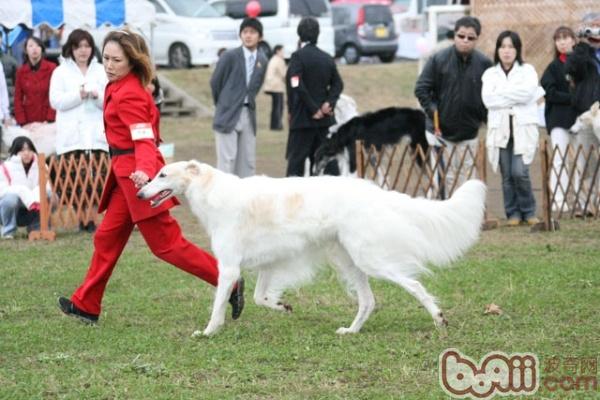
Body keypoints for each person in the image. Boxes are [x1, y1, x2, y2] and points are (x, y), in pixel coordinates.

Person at [58, 29, 244, 325]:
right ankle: (86, 304)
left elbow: (144, 138)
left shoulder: (130, 92)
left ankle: (229, 281)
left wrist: (145, 171)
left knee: (166, 245)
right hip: (124, 177)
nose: (108, 65)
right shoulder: (117, 86)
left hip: (137, 178)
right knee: (106, 238)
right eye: (105, 58)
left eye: (116, 60)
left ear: (131, 61)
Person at [414, 16, 492, 197]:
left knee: (469, 177)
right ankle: (444, 215)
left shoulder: (484, 64)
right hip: (440, 131)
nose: (465, 41)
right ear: (454, 36)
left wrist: (483, 117)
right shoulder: (438, 59)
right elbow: (421, 88)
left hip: (469, 131)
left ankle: (466, 215)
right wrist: (433, 110)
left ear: (477, 39)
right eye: (461, 36)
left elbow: (491, 95)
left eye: (470, 38)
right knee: (444, 178)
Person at [49, 29, 109, 233]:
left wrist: (96, 95)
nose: (83, 51)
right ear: (71, 49)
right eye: (79, 46)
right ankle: (83, 220)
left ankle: (93, 219)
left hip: (96, 134)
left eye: (87, 46)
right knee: (74, 179)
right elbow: (55, 101)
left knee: (99, 177)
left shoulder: (101, 70)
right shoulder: (60, 72)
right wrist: (79, 95)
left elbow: (110, 100)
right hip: (71, 135)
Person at [482, 30, 544, 226]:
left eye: (511, 47)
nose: (507, 51)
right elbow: (488, 100)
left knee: (520, 172)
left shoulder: (528, 71)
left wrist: (503, 95)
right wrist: (514, 95)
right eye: (503, 46)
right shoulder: (490, 74)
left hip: (522, 128)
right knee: (507, 175)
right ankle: (513, 214)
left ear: (517, 50)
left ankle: (528, 210)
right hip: (500, 129)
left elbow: (527, 94)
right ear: (497, 50)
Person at [285, 17, 343, 177]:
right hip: (324, 120)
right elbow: (338, 84)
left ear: (299, 34)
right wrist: (329, 103)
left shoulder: (297, 57)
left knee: (296, 164)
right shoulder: (326, 58)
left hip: (303, 120)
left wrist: (313, 108)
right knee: (325, 164)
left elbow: (296, 83)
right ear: (318, 34)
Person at [210, 18, 267, 178]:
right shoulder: (230, 56)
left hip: (248, 113)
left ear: (260, 37)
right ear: (240, 35)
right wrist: (222, 104)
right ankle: (222, 201)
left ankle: (245, 201)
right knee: (226, 162)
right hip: (227, 114)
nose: (248, 36)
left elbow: (255, 87)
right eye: (245, 32)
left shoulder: (262, 60)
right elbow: (215, 83)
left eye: (253, 32)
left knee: (247, 162)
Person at [540, 27, 578, 213]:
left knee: (582, 160)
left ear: (573, 40)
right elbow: (550, 93)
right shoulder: (552, 68)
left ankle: (583, 199)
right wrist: (572, 97)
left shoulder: (584, 64)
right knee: (559, 159)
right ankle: (559, 199)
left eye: (566, 38)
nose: (562, 42)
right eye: (558, 39)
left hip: (581, 118)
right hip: (559, 119)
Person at [0, 137, 44, 239]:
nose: (26, 153)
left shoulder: (41, 165)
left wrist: (34, 195)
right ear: (15, 151)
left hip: (34, 207)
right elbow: (1, 191)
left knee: (49, 195)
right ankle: (8, 231)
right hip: (9, 210)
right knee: (10, 199)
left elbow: (47, 186)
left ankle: (36, 228)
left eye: (29, 149)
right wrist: (22, 190)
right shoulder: (5, 167)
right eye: (22, 150)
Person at [14, 36, 56, 126]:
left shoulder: (52, 68)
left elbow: (55, 95)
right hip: (29, 120)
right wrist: (22, 122)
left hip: (47, 120)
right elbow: (18, 99)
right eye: (31, 46)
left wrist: (49, 119)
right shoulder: (21, 71)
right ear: (26, 50)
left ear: (42, 49)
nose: (34, 49)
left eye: (38, 46)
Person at [263, 44, 286, 131]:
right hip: (276, 86)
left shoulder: (273, 59)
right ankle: (277, 125)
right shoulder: (279, 60)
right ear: (278, 51)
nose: (283, 53)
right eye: (282, 51)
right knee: (278, 107)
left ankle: (274, 125)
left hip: (270, 85)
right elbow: (284, 74)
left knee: (276, 106)